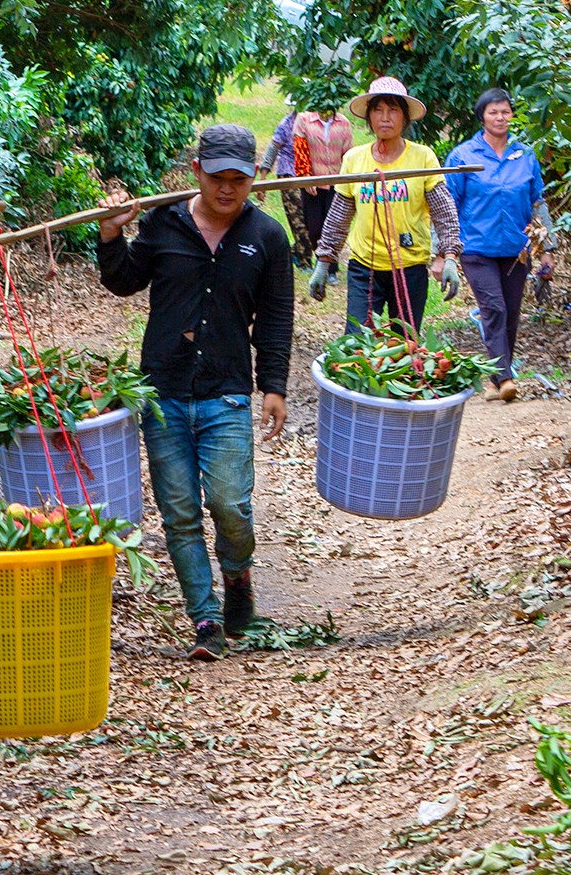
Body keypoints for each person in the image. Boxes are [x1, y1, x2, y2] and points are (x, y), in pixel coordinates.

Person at [95, 124, 294, 662]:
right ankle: (204, 618)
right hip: (162, 390)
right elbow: (123, 281)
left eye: (239, 180)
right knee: (179, 512)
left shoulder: (268, 238)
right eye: (217, 178)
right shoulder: (165, 223)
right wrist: (111, 236)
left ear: (252, 179)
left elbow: (275, 318)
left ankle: (237, 576)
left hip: (226, 391)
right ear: (196, 173)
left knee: (230, 504)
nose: (227, 190)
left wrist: (272, 385)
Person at [308, 76, 462, 333]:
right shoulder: (355, 160)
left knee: (404, 346)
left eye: (393, 110)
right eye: (378, 110)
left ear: (404, 118)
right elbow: (339, 215)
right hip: (364, 268)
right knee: (357, 343)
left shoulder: (422, 157)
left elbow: (443, 211)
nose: (385, 117)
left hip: (409, 266)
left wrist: (449, 257)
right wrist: (324, 263)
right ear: (369, 118)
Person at [445, 88, 555, 403]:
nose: (500, 117)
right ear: (482, 117)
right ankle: (506, 377)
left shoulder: (526, 155)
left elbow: (538, 204)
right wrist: (446, 252)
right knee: (494, 307)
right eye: (494, 112)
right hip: (477, 247)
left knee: (510, 313)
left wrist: (548, 248)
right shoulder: (463, 156)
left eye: (505, 111)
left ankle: (494, 379)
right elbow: (447, 203)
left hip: (517, 250)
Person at [258, 100, 356, 272]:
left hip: (321, 178)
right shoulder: (289, 123)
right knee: (302, 222)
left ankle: (316, 260)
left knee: (321, 221)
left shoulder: (332, 123)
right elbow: (273, 149)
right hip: (291, 174)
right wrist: (264, 176)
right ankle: (303, 259)